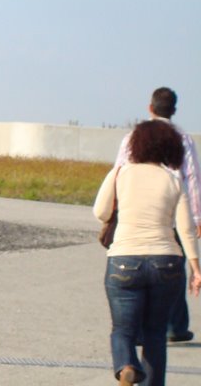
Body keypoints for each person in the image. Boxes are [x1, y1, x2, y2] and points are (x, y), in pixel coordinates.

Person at [95, 119, 201, 385]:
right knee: (155, 334)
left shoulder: (120, 173)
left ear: (136, 145)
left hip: (124, 260)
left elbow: (101, 212)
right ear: (169, 148)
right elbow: (186, 229)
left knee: (122, 330)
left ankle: (126, 365)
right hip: (166, 262)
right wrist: (196, 269)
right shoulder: (173, 179)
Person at [114, 87, 201, 342]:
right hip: (174, 211)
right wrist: (196, 217)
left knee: (136, 270)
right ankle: (175, 326)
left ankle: (143, 329)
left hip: (137, 213)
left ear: (150, 108)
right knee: (171, 270)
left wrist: (117, 211)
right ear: (173, 111)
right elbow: (192, 179)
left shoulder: (133, 136)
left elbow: (120, 171)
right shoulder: (183, 138)